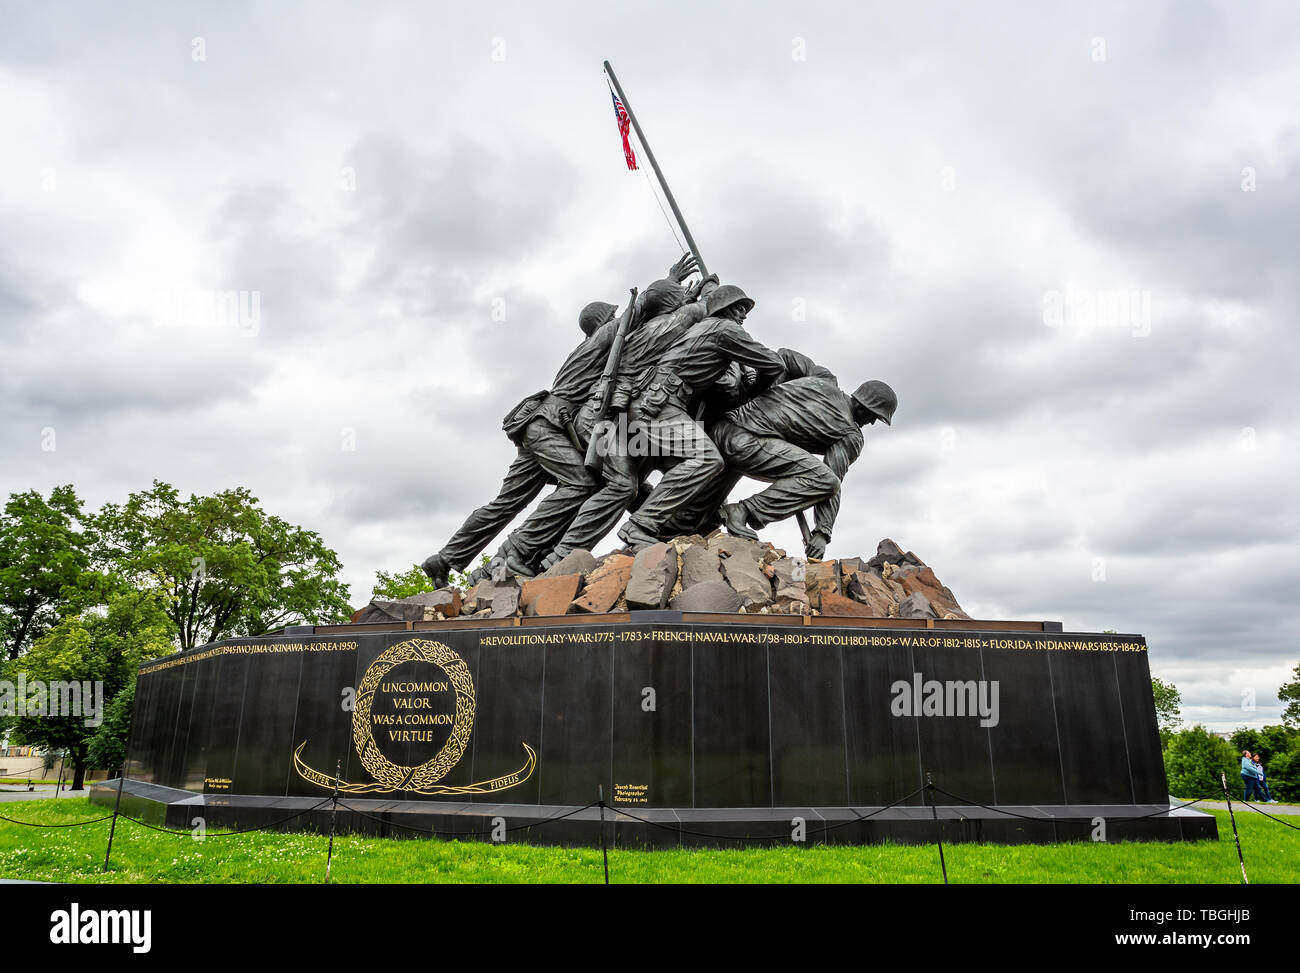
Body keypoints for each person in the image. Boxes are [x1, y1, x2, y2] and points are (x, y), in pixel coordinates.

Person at [420, 255, 697, 586]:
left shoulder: (590, 347)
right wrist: (672, 281)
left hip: (540, 425)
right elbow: (642, 310)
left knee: (506, 503)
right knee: (581, 483)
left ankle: (446, 559)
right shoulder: (607, 335)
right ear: (604, 321)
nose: (616, 317)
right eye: (612, 315)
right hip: (548, 425)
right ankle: (518, 550)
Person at [706, 377, 897, 559]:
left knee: (693, 520)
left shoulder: (820, 382)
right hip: (745, 444)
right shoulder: (850, 434)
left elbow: (783, 359)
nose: (871, 422)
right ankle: (742, 510)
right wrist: (823, 532)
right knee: (825, 480)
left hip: (721, 431)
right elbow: (832, 482)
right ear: (863, 406)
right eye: (874, 415)